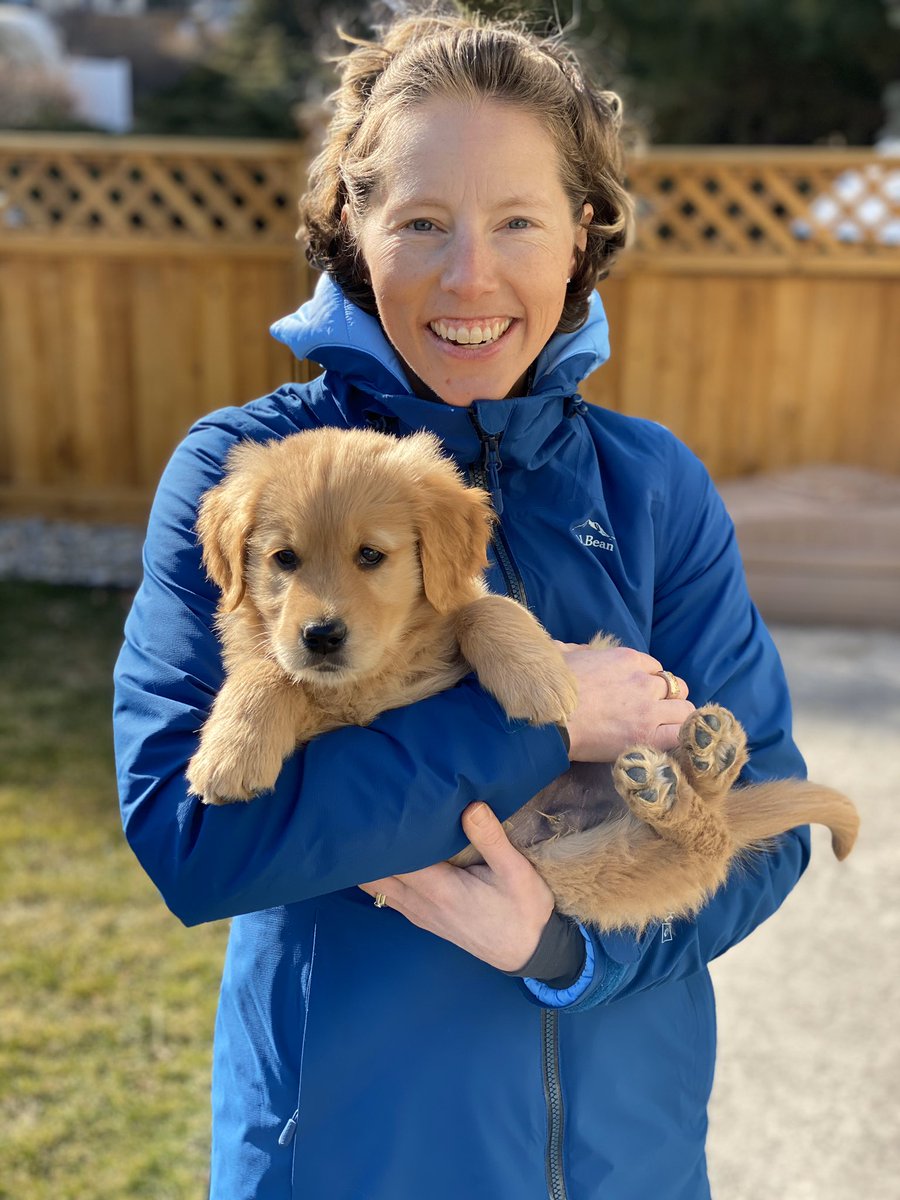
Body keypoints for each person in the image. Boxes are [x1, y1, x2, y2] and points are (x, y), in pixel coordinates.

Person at [113, 10, 810, 1199]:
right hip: (348, 1162)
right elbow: (195, 839)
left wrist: (561, 947)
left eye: (519, 222)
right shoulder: (250, 469)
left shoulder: (649, 486)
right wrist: (540, 722)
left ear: (585, 230)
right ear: (352, 221)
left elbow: (764, 818)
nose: (469, 276)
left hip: (624, 1163)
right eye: (423, 222)